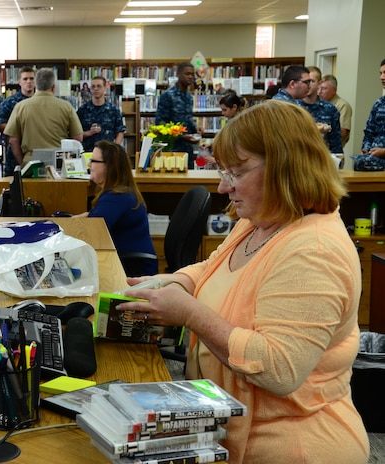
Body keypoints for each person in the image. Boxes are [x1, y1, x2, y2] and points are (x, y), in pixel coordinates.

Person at [118, 100, 369, 463]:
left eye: (236, 172)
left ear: (286, 167)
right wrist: (173, 282)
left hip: (290, 447)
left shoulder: (313, 251)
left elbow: (279, 368)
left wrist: (189, 313)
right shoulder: (259, 221)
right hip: (229, 429)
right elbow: (212, 267)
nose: (223, 187)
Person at [78, 141, 157, 276]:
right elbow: (95, 216)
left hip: (133, 268)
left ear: (109, 167)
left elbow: (92, 230)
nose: (89, 164)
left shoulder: (116, 197)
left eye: (93, 160)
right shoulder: (120, 192)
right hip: (127, 261)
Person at [4, 68, 83, 167]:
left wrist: (23, 163)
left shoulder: (21, 107)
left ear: (36, 85)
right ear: (53, 87)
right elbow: (78, 138)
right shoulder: (66, 106)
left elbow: (13, 140)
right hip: (58, 162)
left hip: (31, 162)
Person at [155, 62, 199, 168]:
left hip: (188, 148)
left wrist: (195, 127)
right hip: (172, 149)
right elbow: (161, 124)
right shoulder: (168, 96)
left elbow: (187, 118)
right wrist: (181, 136)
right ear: (178, 74)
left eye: (192, 74)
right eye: (187, 74)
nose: (190, 77)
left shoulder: (188, 96)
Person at [0, 66, 35, 176]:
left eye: (31, 79)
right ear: (19, 82)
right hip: (15, 150)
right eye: (25, 79)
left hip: (34, 149)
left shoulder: (39, 102)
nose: (29, 82)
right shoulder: (9, 102)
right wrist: (19, 127)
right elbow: (0, 124)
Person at [298, 66, 342, 153]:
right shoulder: (294, 107)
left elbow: (336, 142)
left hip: (322, 158)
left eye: (311, 81)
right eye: (305, 82)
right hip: (299, 158)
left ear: (319, 83)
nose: (308, 85)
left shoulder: (330, 109)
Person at [77, 76, 125, 152]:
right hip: (88, 153)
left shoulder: (114, 110)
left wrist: (116, 148)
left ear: (105, 88)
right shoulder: (82, 110)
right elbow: (76, 134)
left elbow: (120, 131)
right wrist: (89, 132)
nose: (96, 89)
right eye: (93, 86)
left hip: (108, 153)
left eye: (99, 86)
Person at [354, 58, 385, 171]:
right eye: (380, 73)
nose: (381, 77)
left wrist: (383, 152)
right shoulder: (379, 103)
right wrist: (366, 149)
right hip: (373, 161)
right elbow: (369, 131)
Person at [318, 74, 353, 147]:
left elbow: (342, 132)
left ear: (334, 90)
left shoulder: (342, 105)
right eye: (319, 88)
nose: (320, 92)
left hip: (333, 150)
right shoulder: (318, 104)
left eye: (324, 89)